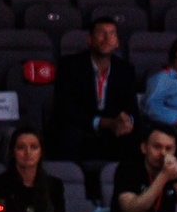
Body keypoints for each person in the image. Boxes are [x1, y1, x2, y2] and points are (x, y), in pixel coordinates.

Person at [50, 18, 139, 162]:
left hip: (113, 130)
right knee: (68, 134)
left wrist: (128, 120)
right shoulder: (69, 66)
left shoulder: (125, 70)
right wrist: (103, 122)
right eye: (101, 33)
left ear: (116, 42)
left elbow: (133, 110)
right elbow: (65, 111)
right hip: (80, 126)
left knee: (137, 136)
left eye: (111, 34)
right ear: (90, 40)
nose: (106, 38)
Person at [113, 126, 177, 212]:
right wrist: (164, 176)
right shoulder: (128, 167)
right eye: (157, 147)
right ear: (144, 148)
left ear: (174, 150)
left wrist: (176, 179)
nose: (163, 153)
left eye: (168, 149)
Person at [0, 127, 67, 212]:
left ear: (41, 152)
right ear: (12, 152)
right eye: (21, 148)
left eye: (33, 147)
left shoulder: (55, 185)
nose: (28, 152)